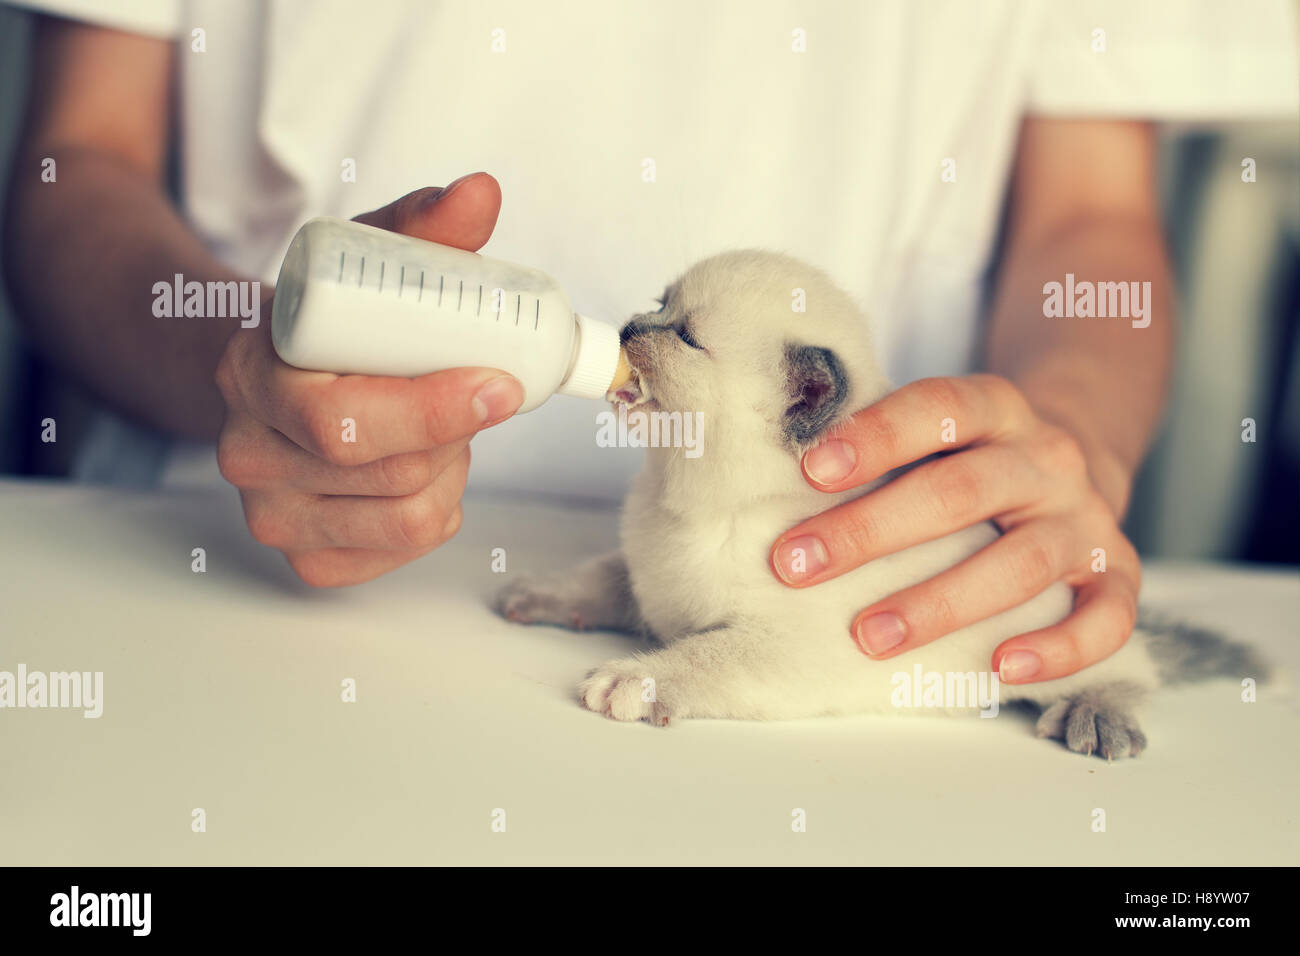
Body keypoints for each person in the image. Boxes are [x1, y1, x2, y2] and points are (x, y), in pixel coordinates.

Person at [4, 0, 1296, 686]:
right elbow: (78, 161)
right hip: (223, 564)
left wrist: (1067, 435)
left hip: (873, 585)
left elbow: (1089, 223)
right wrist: (238, 358)